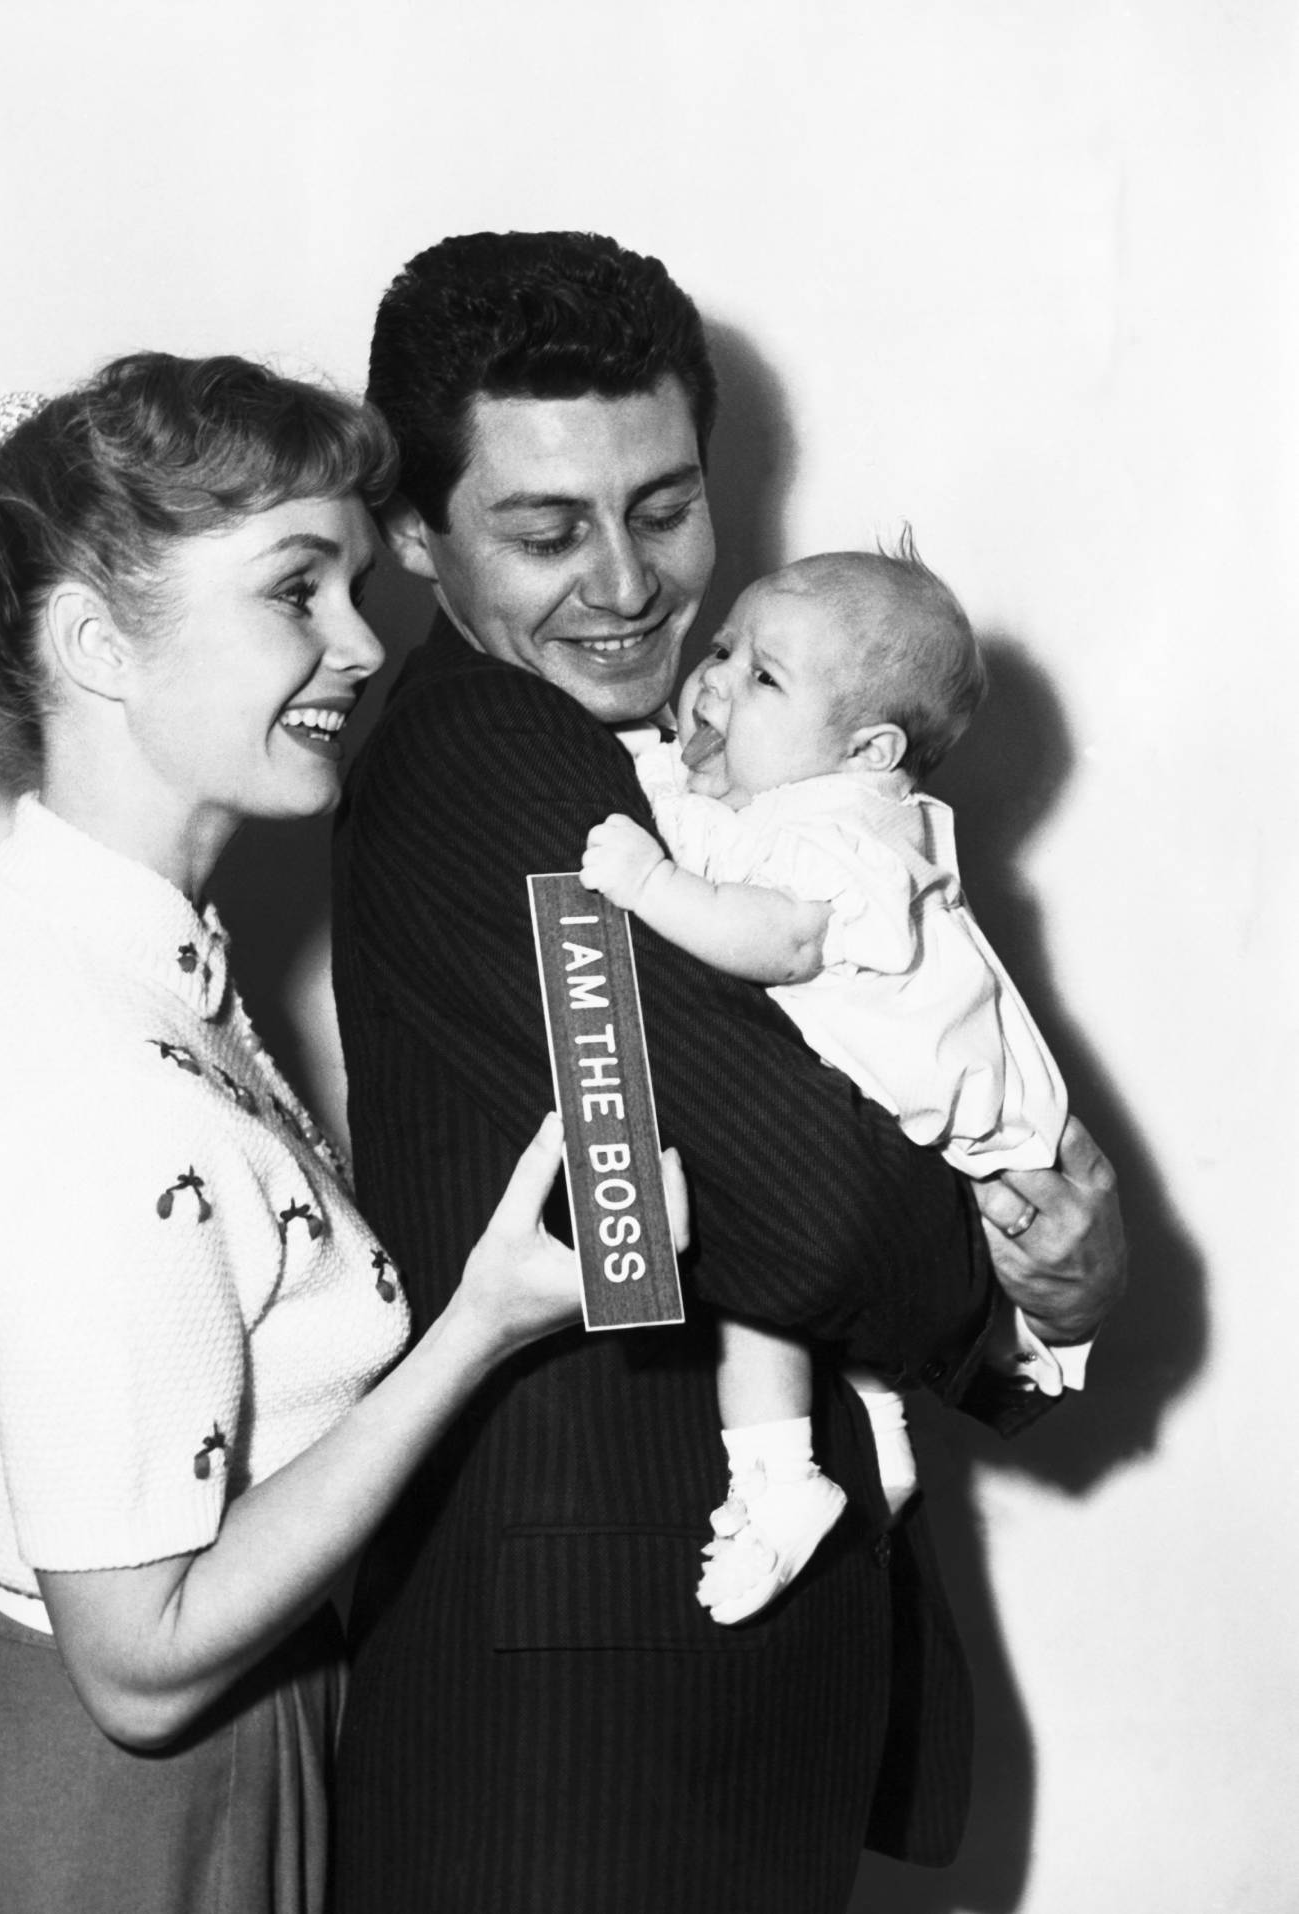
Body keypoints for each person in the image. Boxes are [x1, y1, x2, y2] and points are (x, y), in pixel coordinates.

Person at [0, 353, 683, 1914]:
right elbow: (139, 1669)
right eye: (297, 589)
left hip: (86, 1748)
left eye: (353, 579)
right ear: (94, 643)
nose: (360, 637)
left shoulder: (92, 927)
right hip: (100, 1812)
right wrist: (475, 1325)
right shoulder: (103, 1111)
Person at [331, 230, 1125, 1914]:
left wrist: (1063, 1277)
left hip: (726, 1703)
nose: (624, 583)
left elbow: (878, 1098)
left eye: (664, 507)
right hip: (577, 1749)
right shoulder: (490, 749)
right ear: (414, 534)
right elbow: (824, 1201)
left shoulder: (762, 774)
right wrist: (992, 1265)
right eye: (546, 530)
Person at [580, 541, 1071, 1627]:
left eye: (762, 678)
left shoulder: (839, 837)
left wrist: (648, 879)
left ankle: (777, 1480)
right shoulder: (805, 813)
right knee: (813, 1266)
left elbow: (776, 940)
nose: (711, 681)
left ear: (869, 748)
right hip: (926, 1133)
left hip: (972, 1135)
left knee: (771, 1282)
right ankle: (877, 1439)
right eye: (723, 649)